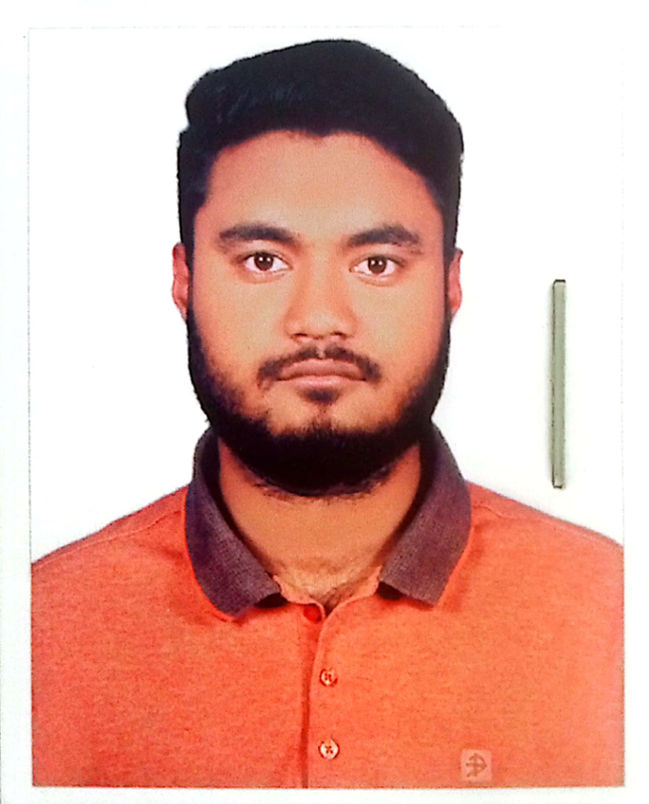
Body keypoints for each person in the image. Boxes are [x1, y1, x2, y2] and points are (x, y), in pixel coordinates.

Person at [31, 39, 623, 788]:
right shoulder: (37, 628)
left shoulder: (612, 612)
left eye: (376, 263)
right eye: (263, 260)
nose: (318, 319)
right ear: (184, 281)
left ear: (450, 285)